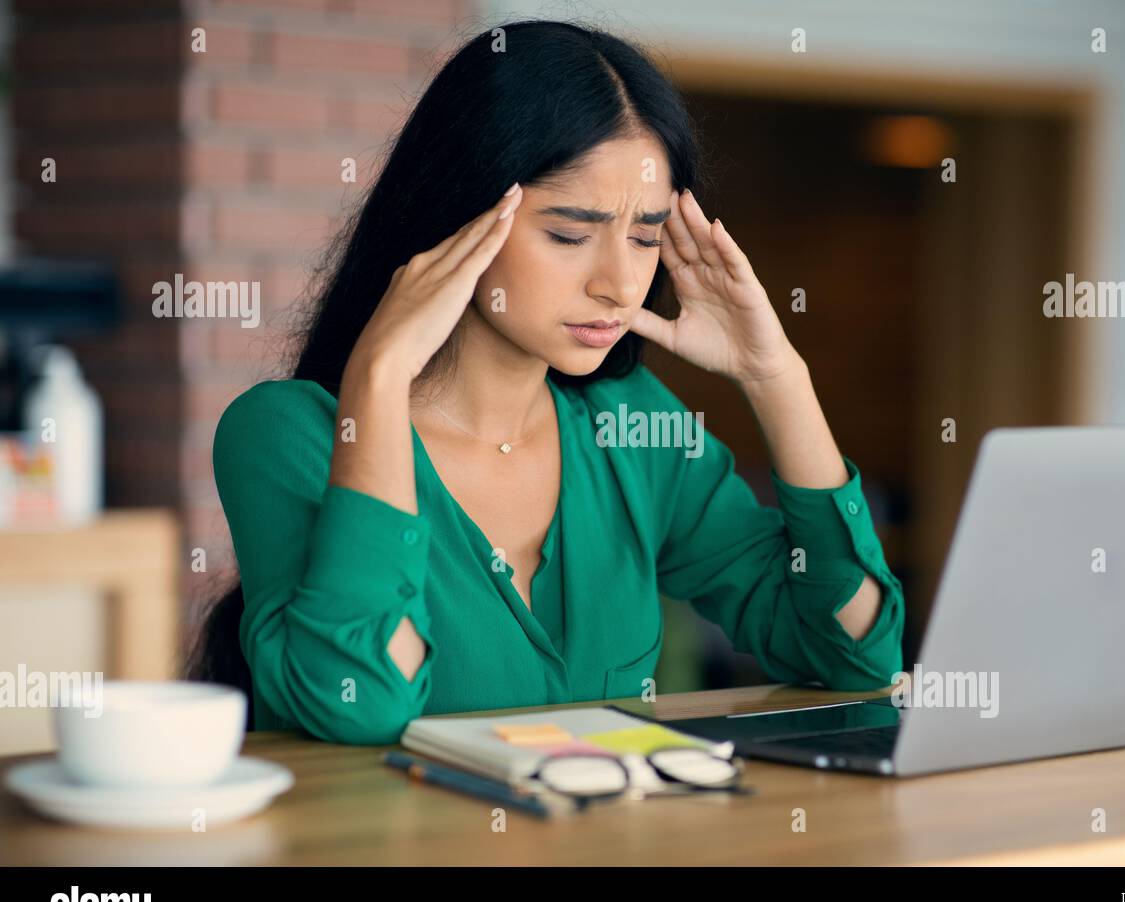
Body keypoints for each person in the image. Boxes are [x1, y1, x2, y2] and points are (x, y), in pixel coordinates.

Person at [187, 19, 904, 745]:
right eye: (569, 234)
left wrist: (776, 375)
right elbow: (361, 703)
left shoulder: (630, 427)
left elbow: (854, 652)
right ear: (461, 214)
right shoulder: (287, 434)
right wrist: (379, 373)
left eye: (646, 236)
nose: (620, 283)